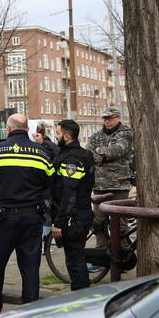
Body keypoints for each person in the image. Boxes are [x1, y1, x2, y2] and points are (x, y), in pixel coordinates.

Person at [0, 113, 53, 318]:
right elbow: (50, 183)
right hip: (31, 218)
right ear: (27, 129)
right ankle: (33, 314)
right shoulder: (41, 153)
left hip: (2, 219)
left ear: (8, 130)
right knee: (30, 267)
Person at [50, 119, 95, 290]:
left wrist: (59, 223)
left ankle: (82, 298)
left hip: (74, 218)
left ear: (67, 136)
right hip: (77, 215)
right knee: (76, 259)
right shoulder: (75, 154)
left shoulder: (73, 159)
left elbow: (69, 194)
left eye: (58, 133)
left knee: (75, 262)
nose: (56, 136)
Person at [87, 106, 134, 213]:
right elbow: (88, 153)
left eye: (110, 118)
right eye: (105, 119)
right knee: (99, 222)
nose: (107, 121)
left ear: (118, 118)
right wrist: (104, 156)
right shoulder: (97, 135)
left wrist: (98, 151)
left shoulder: (125, 133)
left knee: (121, 221)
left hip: (119, 186)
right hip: (100, 186)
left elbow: (117, 150)